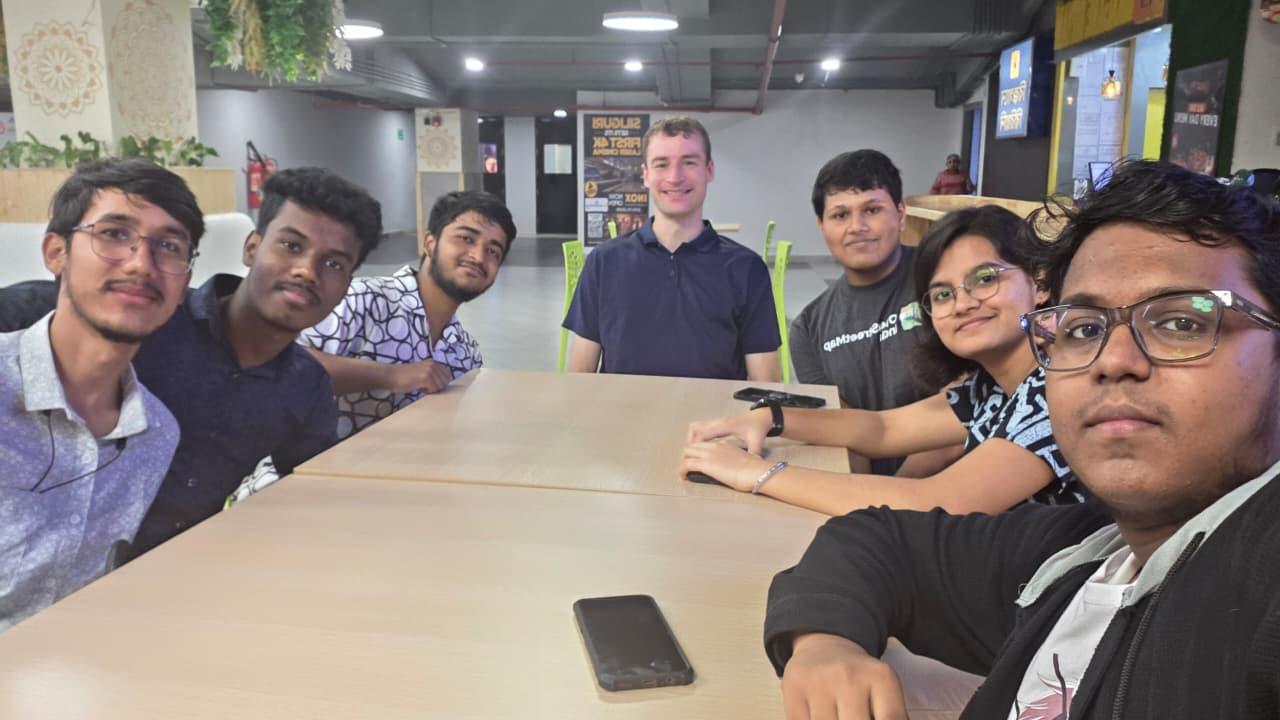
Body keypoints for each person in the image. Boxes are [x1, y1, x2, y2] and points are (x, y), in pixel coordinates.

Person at [764, 160, 1280, 719]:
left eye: (1181, 323)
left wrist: (759, 472)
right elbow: (878, 466)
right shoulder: (1085, 548)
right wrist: (822, 641)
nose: (1114, 360)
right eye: (1085, 329)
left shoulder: (1255, 590)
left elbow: (933, 500)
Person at [0, 167, 383, 557]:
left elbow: (312, 495)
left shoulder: (305, 387)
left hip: (179, 575)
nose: (306, 272)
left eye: (334, 264)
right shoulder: (145, 314)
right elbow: (37, 305)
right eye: (290, 245)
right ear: (252, 248)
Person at [683, 204, 1080, 516]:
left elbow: (940, 500)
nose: (963, 303)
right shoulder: (992, 386)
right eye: (943, 294)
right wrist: (772, 418)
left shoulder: (1059, 390)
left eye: (986, 278)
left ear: (1040, 282)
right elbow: (882, 428)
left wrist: (755, 474)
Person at [0, 159, 192, 629]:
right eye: (113, 234)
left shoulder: (155, 432)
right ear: (55, 252)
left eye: (168, 247)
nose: (140, 264)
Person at [564, 116, 781, 381]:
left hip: (716, 421)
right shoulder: (603, 262)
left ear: (709, 170)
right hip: (624, 420)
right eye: (661, 164)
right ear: (645, 175)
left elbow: (765, 385)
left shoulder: (746, 269)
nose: (675, 177)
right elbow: (579, 378)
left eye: (689, 162)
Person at [300, 190, 515, 438]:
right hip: (302, 469)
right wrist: (390, 376)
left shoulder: (464, 353)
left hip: (399, 471)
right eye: (466, 238)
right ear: (430, 244)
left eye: (493, 252)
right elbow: (283, 365)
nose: (478, 256)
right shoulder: (362, 300)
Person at [788, 150, 936, 475]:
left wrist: (898, 494)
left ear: (900, 214)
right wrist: (870, 508)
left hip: (966, 485)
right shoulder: (807, 329)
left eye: (872, 209)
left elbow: (969, 405)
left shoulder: (942, 278)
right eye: (840, 215)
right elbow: (843, 434)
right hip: (877, 499)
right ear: (822, 226)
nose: (857, 227)